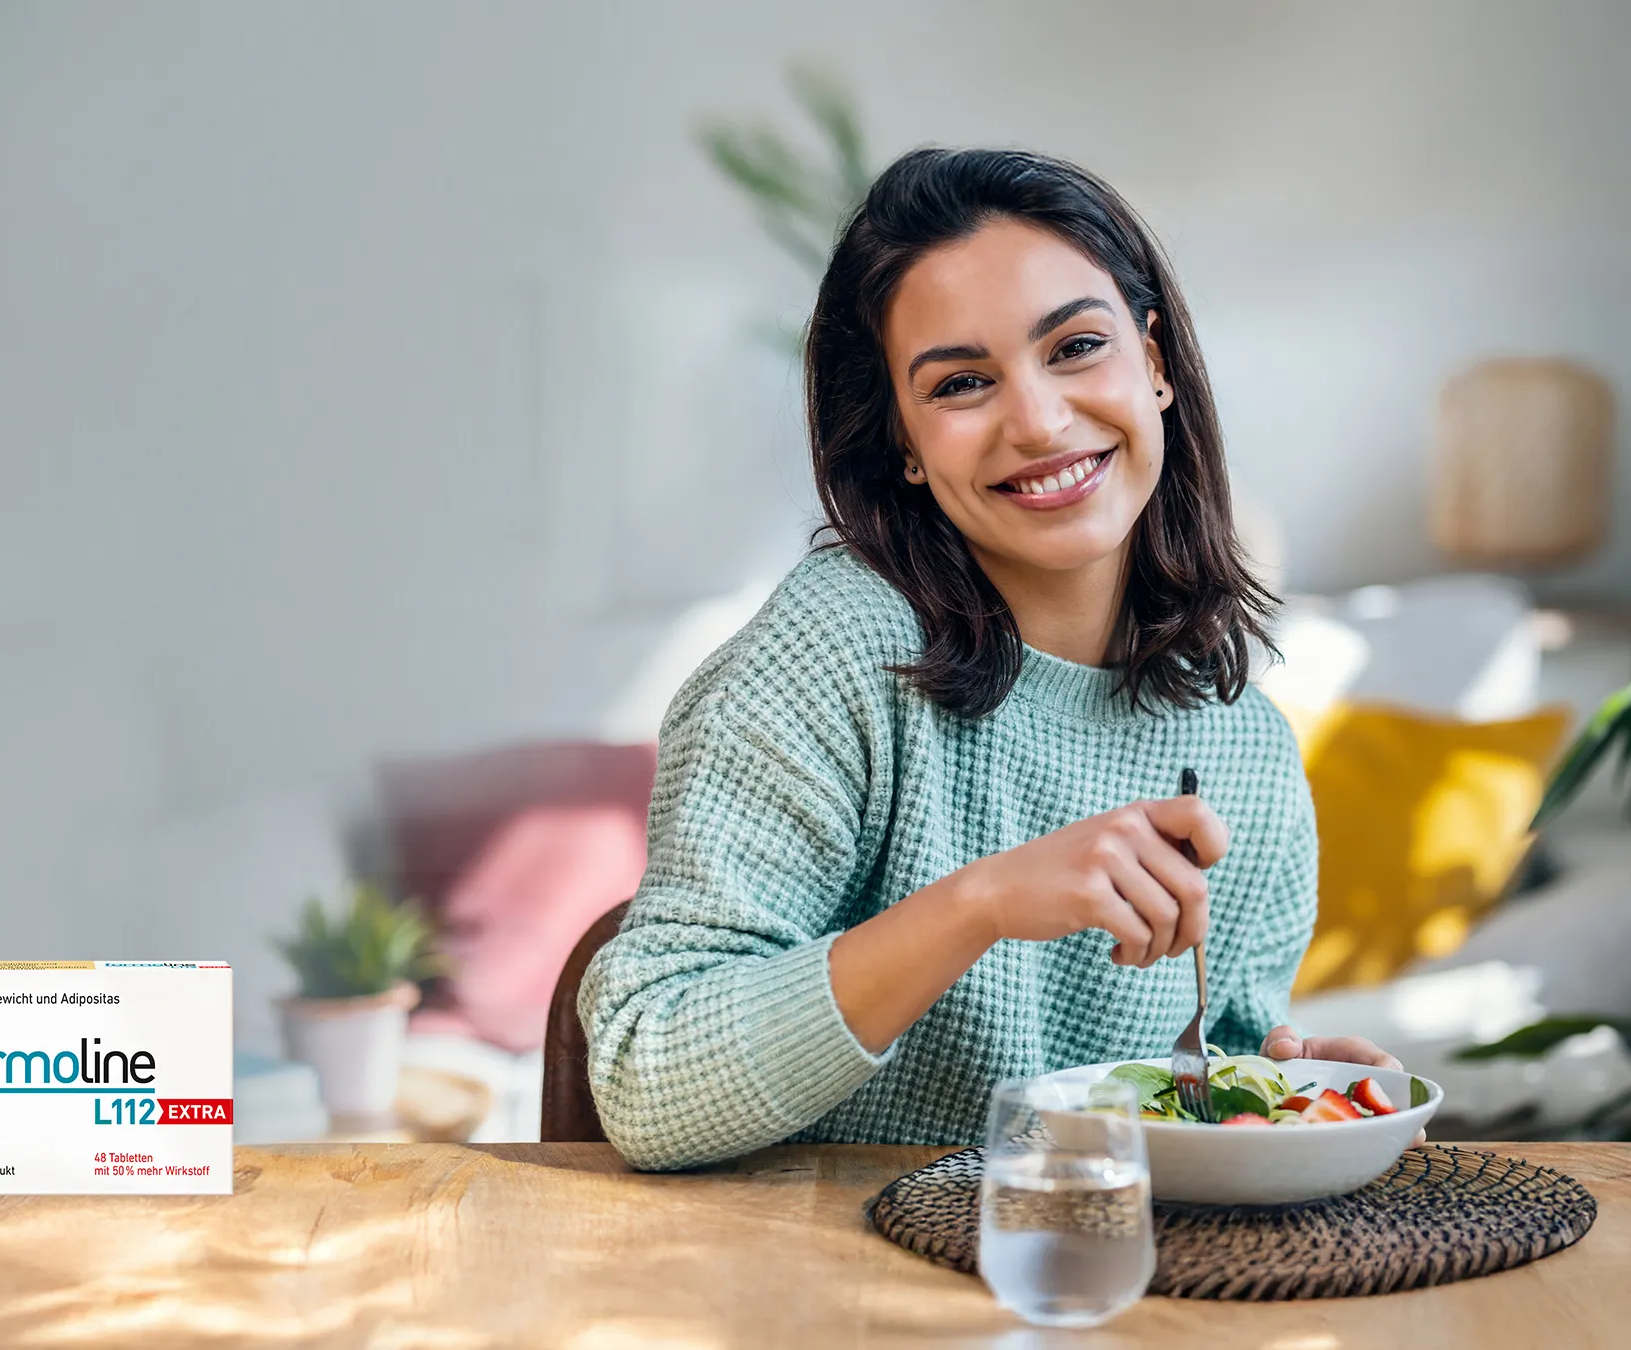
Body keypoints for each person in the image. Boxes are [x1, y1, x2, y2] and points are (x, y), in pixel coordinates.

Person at [578, 147, 1399, 1171]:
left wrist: (1279, 1088)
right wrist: (982, 903)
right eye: (962, 383)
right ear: (905, 445)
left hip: (1097, 1261)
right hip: (814, 1258)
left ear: (1153, 364)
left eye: (1077, 347)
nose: (1040, 422)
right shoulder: (833, 655)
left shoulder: (1249, 752)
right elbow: (646, 1080)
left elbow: (1203, 1069)